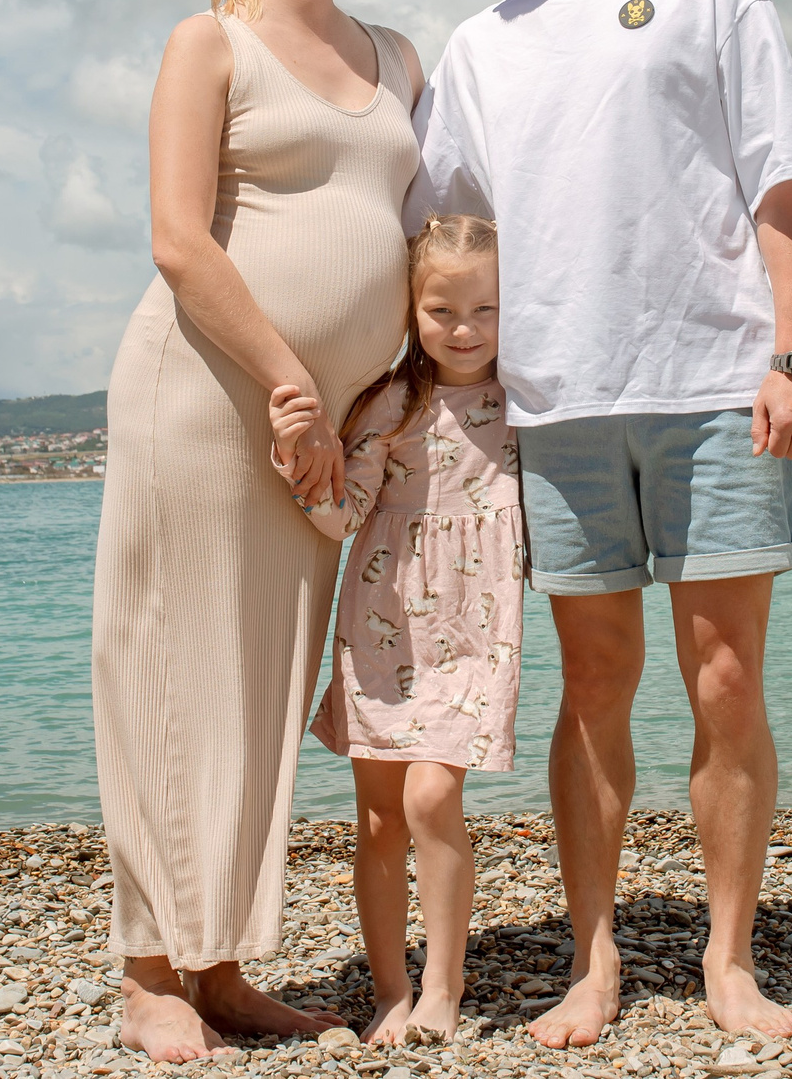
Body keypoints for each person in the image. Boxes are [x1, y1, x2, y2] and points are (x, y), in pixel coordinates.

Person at [408, 0, 792, 1047]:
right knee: (592, 683)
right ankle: (591, 960)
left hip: (713, 386)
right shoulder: (479, 46)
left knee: (723, 679)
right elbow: (436, 234)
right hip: (558, 402)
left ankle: (729, 958)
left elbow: (784, 175)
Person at [92, 0, 425, 1064]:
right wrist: (289, 384)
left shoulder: (395, 54)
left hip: (330, 430)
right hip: (206, 398)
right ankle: (147, 973)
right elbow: (180, 240)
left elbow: (426, 223)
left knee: (264, 686)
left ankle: (220, 966)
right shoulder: (209, 43)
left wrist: (384, 398)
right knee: (168, 671)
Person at [264, 214, 524, 1047]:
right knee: (378, 817)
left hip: (474, 627)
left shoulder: (526, 400)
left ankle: (445, 985)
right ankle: (390, 988)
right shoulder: (390, 402)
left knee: (431, 792)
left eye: (484, 310)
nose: (465, 329)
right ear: (410, 308)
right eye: (443, 309)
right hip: (383, 626)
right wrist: (302, 460)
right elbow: (343, 517)